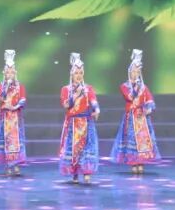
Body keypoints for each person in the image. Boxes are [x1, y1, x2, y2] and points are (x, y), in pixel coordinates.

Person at [109, 49, 160, 175]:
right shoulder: (124, 86)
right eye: (134, 71)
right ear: (129, 72)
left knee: (142, 140)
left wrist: (149, 108)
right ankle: (133, 162)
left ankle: (141, 161)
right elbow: (130, 97)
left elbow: (149, 99)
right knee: (131, 139)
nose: (135, 74)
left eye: (138, 71)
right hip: (131, 118)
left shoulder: (144, 87)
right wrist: (136, 87)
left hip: (142, 118)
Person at [0, 49, 28, 177]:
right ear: (4, 73)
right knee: (6, 141)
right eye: (7, 72)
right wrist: (6, 87)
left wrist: (15, 106)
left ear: (15, 73)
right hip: (4, 117)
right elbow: (1, 97)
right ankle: (8, 165)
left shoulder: (20, 86)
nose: (9, 74)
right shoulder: (0, 86)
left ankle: (16, 164)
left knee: (15, 141)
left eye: (11, 72)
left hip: (15, 117)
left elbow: (23, 99)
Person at [59, 52, 100, 185]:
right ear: (72, 74)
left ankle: (87, 173)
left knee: (88, 148)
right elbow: (66, 105)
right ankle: (75, 173)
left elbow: (93, 101)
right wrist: (75, 95)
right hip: (73, 123)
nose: (79, 75)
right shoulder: (66, 89)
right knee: (74, 149)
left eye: (81, 73)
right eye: (76, 73)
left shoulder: (88, 88)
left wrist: (97, 109)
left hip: (86, 122)